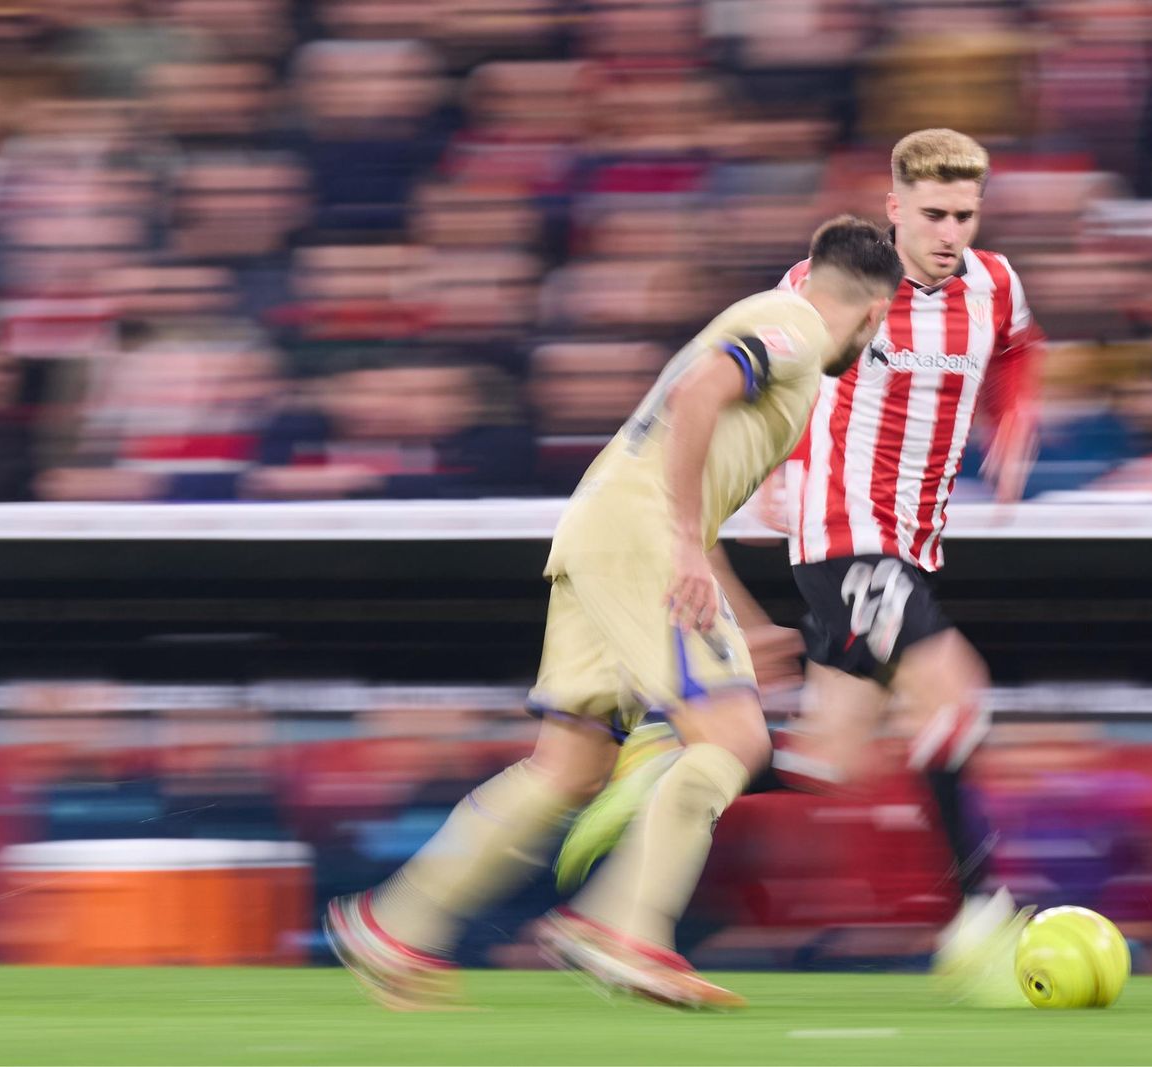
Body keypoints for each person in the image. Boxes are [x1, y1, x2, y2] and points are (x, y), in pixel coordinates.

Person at [324, 216, 903, 1010]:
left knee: (570, 766)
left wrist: (730, 598)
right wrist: (684, 550)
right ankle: (624, 927)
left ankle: (394, 924)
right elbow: (702, 393)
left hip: (600, 530)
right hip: (640, 538)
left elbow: (686, 468)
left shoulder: (778, 314)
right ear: (873, 315)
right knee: (735, 738)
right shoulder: (798, 331)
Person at [558, 128, 1049, 1006]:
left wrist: (1016, 414)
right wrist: (776, 474)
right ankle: (980, 911)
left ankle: (664, 760)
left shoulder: (996, 285)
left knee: (830, 760)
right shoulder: (828, 291)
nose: (949, 232)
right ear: (893, 209)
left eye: (964, 215)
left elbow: (1019, 345)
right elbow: (773, 370)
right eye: (932, 213)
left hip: (909, 543)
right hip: (842, 535)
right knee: (955, 686)